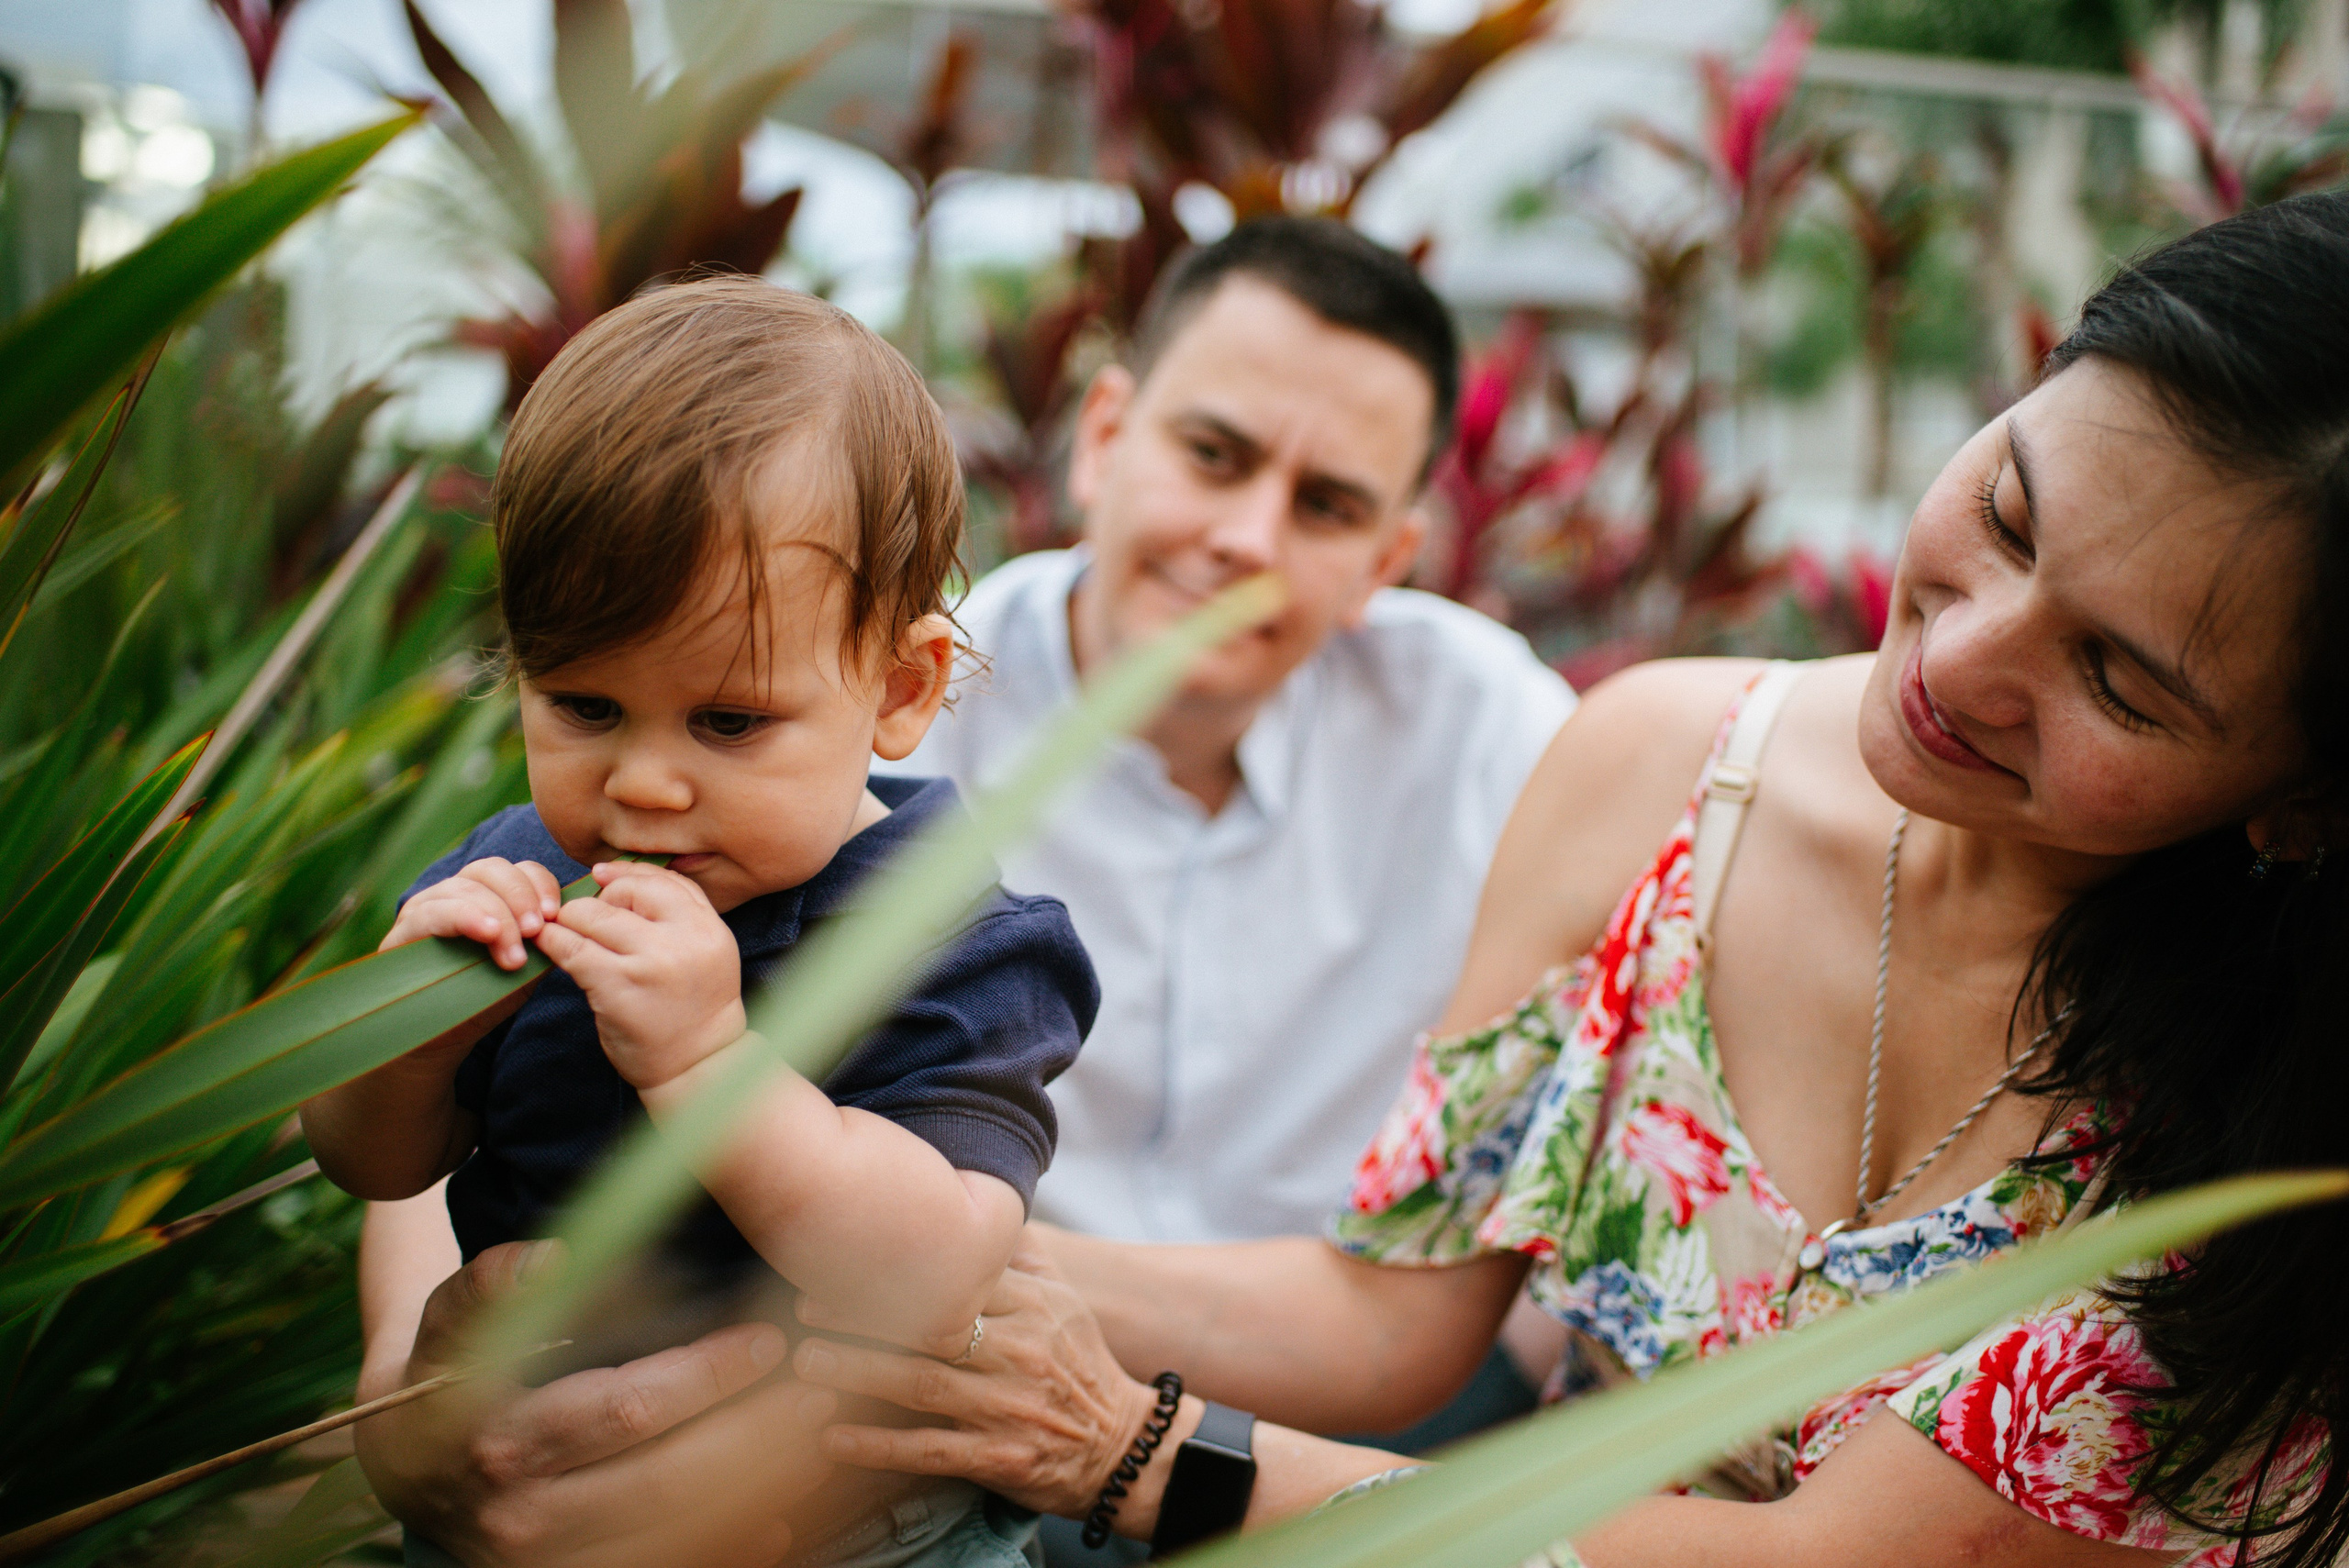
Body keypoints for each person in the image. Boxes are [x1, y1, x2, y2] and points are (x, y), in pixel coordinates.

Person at [769, 193, 2349, 1564]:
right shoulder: (1656, 765)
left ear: (2302, 795)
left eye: (2124, 683)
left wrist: (1133, 1444)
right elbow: (1396, 1310)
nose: (1966, 654)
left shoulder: (2277, 1106)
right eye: (2006, 513)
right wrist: (857, 1246)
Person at [307, 277, 1098, 1568]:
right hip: (526, 1480)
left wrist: (707, 1065)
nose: (644, 784)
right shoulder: (521, 876)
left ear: (900, 689)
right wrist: (403, 1042)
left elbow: (933, 1276)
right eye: (582, 706)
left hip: (857, 1531)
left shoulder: (954, 938)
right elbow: (374, 1165)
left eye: (728, 722)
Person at [882, 217, 1575, 1252]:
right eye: (1214, 455)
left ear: (1384, 562)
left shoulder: (1486, 730)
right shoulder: (898, 708)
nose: (1249, 539)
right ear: (1104, 438)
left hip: (1346, 1372)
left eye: (1327, 506)